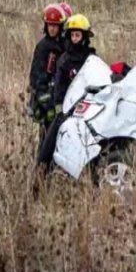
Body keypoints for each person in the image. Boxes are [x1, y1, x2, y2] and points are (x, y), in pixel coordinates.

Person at [38, 13, 97, 172]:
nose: (75, 38)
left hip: (89, 104)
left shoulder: (91, 57)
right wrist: (59, 107)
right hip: (68, 106)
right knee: (53, 134)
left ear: (84, 36)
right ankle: (42, 167)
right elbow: (59, 86)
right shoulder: (64, 60)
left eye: (78, 35)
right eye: (73, 35)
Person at [27, 3, 71, 132]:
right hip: (47, 102)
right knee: (47, 139)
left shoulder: (65, 45)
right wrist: (48, 105)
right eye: (50, 25)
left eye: (55, 25)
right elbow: (36, 79)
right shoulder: (42, 47)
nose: (52, 29)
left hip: (63, 98)